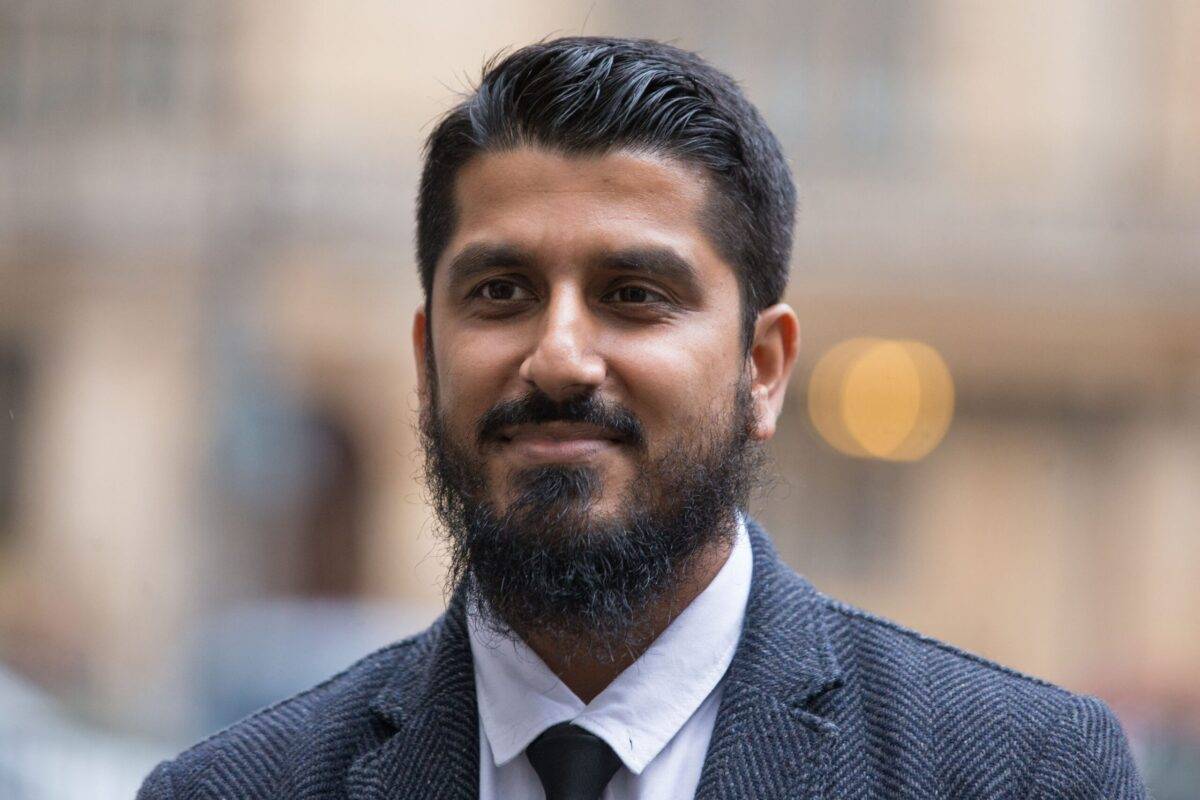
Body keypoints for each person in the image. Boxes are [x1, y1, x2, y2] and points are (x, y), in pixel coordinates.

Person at [137, 36, 1146, 800]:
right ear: (425, 354)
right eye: (499, 291)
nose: (561, 356)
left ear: (762, 368)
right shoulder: (233, 787)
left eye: (634, 294)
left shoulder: (1024, 772)